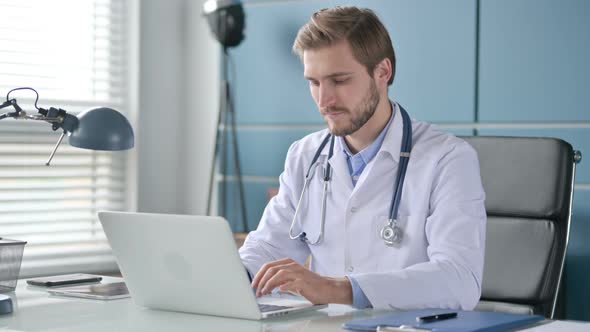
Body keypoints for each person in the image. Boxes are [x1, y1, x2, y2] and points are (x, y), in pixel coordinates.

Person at [239, 6, 486, 310]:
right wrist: (235, 274)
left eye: (339, 80)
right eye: (313, 82)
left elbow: (459, 280)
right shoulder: (305, 156)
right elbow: (268, 245)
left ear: (383, 72)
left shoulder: (448, 160)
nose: (324, 100)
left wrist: (337, 289)